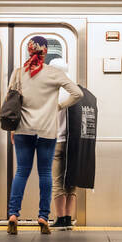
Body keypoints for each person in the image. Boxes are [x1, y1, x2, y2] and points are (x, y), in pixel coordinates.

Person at [6, 36, 83, 235]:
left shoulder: (18, 73)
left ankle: (13, 214)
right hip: (47, 132)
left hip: (23, 130)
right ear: (45, 52)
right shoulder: (54, 74)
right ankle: (43, 216)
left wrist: (14, 129)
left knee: (22, 171)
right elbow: (77, 93)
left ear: (29, 51)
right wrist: (58, 105)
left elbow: (10, 102)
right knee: (46, 173)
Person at [48, 59, 78, 231]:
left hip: (57, 141)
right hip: (73, 143)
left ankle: (60, 218)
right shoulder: (74, 89)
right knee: (71, 181)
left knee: (58, 181)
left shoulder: (55, 91)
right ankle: (68, 218)